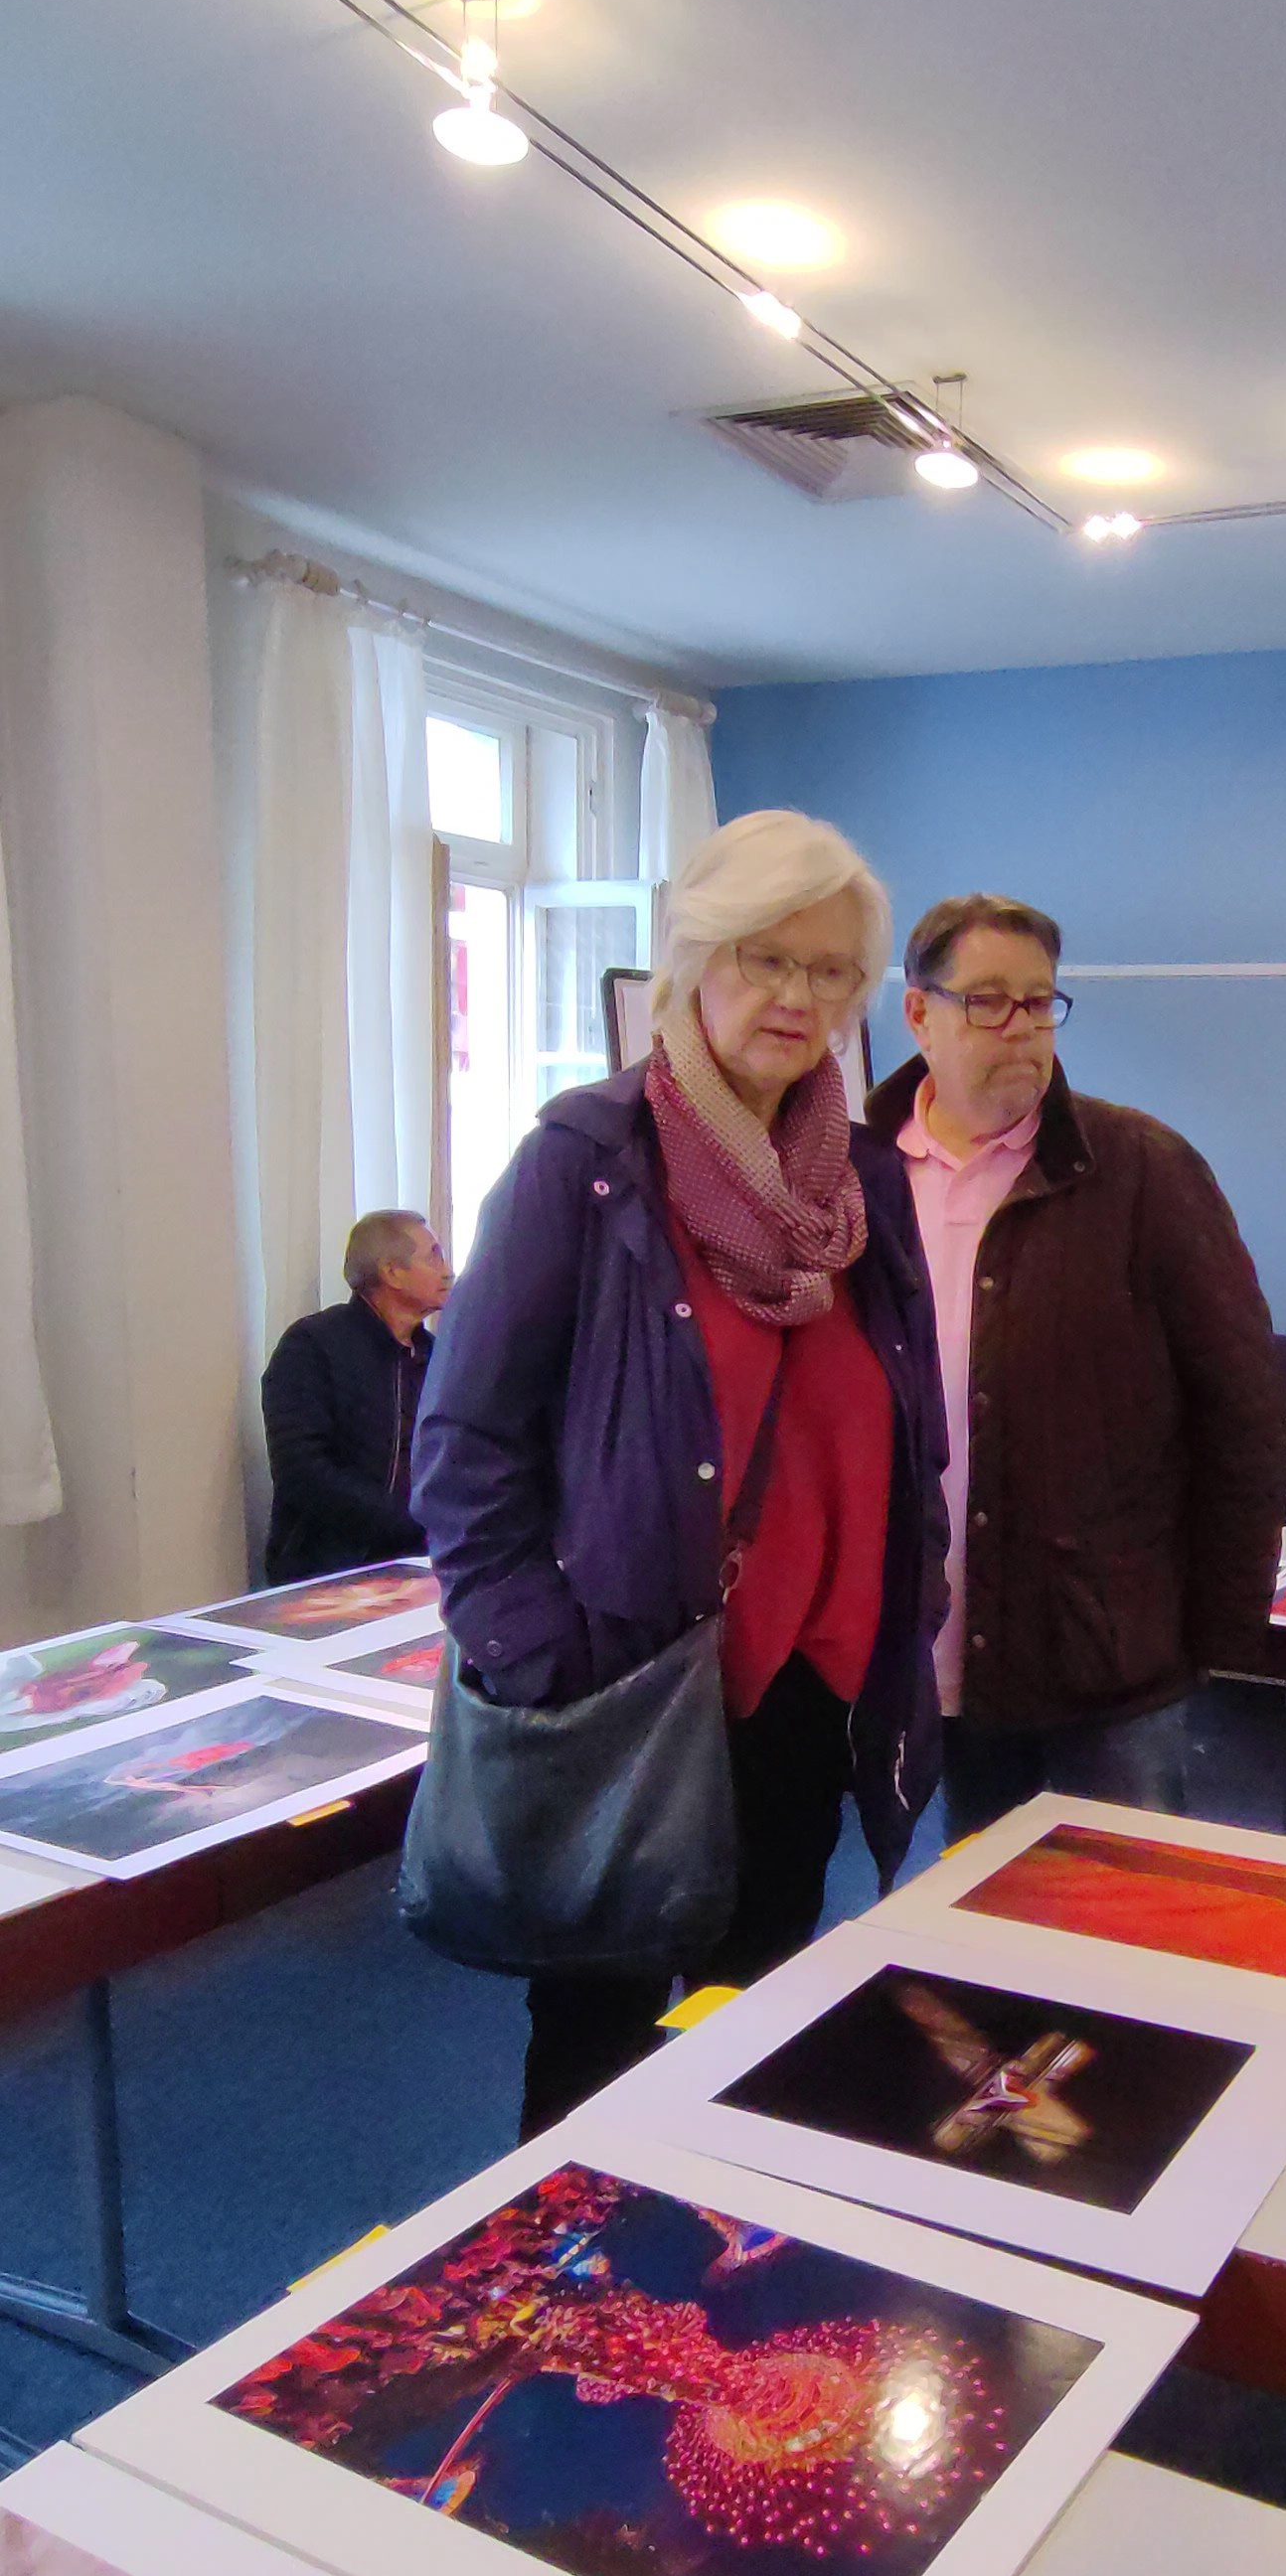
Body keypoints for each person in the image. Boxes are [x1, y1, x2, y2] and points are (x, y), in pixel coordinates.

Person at [413, 809, 948, 2133]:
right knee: (597, 2041)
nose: (799, 996)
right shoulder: (585, 1168)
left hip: (808, 1694)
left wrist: (909, 1612)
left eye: (830, 971)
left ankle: (696, 2306)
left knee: (748, 2021)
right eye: (767, 957)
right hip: (632, 1683)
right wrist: (538, 1657)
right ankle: (557, 2302)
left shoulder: (861, 1184)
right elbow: (462, 1442)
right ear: (694, 957)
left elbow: (909, 1422)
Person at [866, 891, 1285, 1838]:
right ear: (918, 1011)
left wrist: (1218, 1636)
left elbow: (1243, 1413)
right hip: (931, 1640)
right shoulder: (857, 1173)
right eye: (987, 1000)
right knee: (975, 1932)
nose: (1020, 1028)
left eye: (1039, 1000)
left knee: (1115, 1934)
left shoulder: (1143, 1168)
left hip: (1108, 1653)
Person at [260, 1210, 451, 1581]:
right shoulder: (314, 1345)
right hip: (330, 1572)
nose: (447, 1270)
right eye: (434, 1256)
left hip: (425, 1565)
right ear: (392, 1272)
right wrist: (414, 1525)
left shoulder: (439, 1357)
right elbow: (303, 1472)